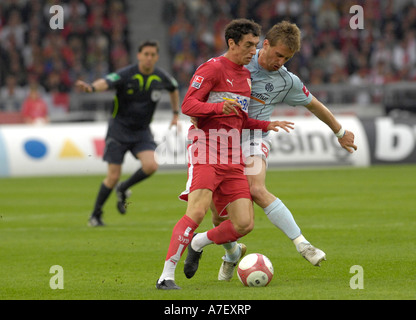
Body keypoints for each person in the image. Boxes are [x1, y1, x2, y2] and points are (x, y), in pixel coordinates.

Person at [207, 21, 358, 282]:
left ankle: (303, 244)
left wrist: (340, 132)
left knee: (256, 189)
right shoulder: (240, 60)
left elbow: (315, 105)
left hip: (255, 138)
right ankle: (232, 254)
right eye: (278, 55)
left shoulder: (287, 81)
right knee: (219, 214)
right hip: (223, 139)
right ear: (264, 44)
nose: (280, 62)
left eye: (286, 58)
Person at [156, 19, 295, 290]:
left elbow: (239, 120)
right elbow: (188, 105)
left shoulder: (245, 77)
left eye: (255, 45)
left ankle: (198, 242)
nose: (253, 51)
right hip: (206, 147)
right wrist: (218, 108)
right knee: (196, 211)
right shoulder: (212, 68)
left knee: (244, 223)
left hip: (232, 155)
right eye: (248, 45)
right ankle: (166, 276)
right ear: (231, 43)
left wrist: (267, 125)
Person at [75, 40, 180, 227]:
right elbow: (106, 82)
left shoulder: (160, 77)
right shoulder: (127, 74)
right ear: (139, 55)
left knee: (151, 166)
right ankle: (95, 215)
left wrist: (175, 113)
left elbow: (173, 88)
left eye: (152, 55)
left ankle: (123, 188)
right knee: (113, 176)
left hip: (141, 132)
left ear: (156, 57)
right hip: (119, 130)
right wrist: (91, 88)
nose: (149, 58)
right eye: (145, 54)